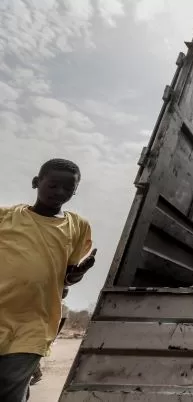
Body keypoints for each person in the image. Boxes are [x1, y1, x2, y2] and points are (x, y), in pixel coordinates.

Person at [0, 159, 95, 402]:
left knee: (11, 388)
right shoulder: (5, 217)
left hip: (34, 323)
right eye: (53, 186)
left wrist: (78, 273)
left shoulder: (78, 226)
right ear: (36, 182)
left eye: (68, 188)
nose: (60, 192)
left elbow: (66, 278)